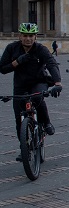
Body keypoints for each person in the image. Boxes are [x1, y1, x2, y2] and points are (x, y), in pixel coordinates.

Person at [0, 23, 62, 160]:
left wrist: (57, 83)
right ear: (20, 36)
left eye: (31, 36)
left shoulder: (40, 49)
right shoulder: (12, 48)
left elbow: (51, 64)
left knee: (37, 98)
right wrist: (17, 62)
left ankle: (46, 123)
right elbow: (2, 68)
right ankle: (25, 149)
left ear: (35, 37)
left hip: (38, 81)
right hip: (20, 85)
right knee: (18, 118)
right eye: (25, 36)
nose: (28, 39)